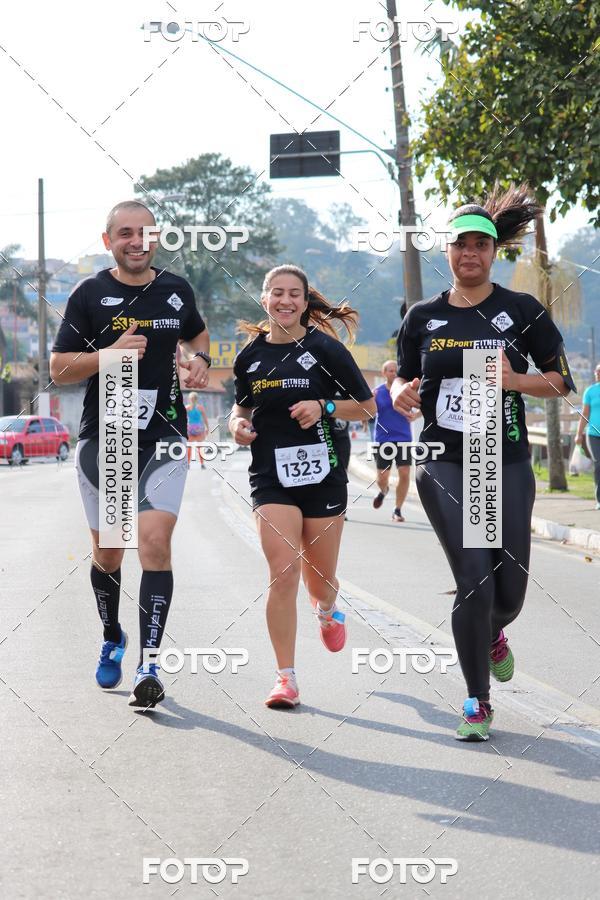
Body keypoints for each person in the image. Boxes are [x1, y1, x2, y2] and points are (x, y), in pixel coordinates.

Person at [392, 184, 575, 741]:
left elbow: (562, 380)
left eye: (479, 245)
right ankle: (477, 700)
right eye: (459, 245)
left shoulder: (520, 310)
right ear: (445, 251)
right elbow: (401, 374)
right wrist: (402, 392)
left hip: (506, 460)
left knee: (508, 594)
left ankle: (492, 634)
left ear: (495, 252)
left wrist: (515, 380)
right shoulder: (423, 316)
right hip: (446, 459)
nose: (469, 254)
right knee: (473, 581)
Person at [49, 200, 211, 709]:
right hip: (108, 439)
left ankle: (150, 662)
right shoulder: (89, 294)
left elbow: (197, 332)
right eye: (125, 233)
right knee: (110, 553)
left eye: (145, 233)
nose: (136, 241)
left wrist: (199, 359)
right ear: (108, 241)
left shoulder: (176, 290)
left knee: (155, 542)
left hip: (164, 436)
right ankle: (112, 633)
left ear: (156, 238)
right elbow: (58, 368)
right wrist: (109, 355)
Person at [230, 264, 376, 708]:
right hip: (271, 478)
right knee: (283, 573)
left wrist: (324, 404)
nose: (285, 301)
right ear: (264, 299)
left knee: (320, 581)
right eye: (277, 293)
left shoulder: (326, 350)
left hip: (324, 475)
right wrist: (238, 424)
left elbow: (367, 409)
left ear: (305, 302)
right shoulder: (249, 358)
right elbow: (242, 407)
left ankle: (327, 612)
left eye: (295, 294)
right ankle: (285, 678)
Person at [372, 359, 414, 522]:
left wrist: (414, 416)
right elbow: (367, 410)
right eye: (390, 370)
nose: (394, 373)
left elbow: (422, 408)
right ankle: (383, 491)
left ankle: (397, 510)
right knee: (382, 477)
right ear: (384, 373)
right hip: (383, 439)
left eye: (396, 370)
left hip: (403, 438)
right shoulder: (377, 392)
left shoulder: (406, 391)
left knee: (404, 472)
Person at [575, 362, 600, 508]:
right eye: (596, 371)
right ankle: (599, 499)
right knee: (599, 464)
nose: (597, 373)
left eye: (599, 371)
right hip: (593, 434)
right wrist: (579, 434)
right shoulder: (590, 391)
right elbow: (584, 414)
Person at [186, 391, 209, 467]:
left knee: (189, 447)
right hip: (199, 428)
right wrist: (207, 428)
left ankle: (188, 463)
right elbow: (205, 419)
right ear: (197, 399)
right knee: (200, 447)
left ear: (190, 399)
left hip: (190, 428)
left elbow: (184, 419)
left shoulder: (187, 408)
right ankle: (202, 464)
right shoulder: (200, 407)